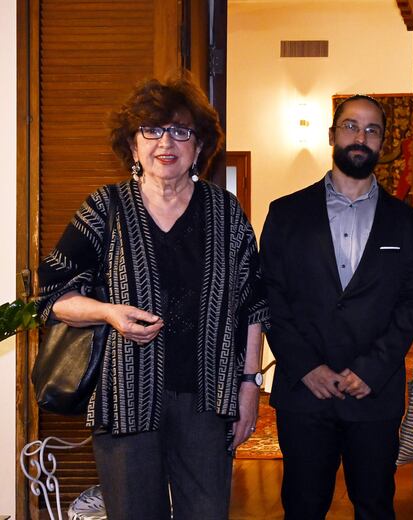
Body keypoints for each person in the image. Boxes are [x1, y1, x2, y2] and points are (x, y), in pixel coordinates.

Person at [36, 76, 269, 520]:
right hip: (125, 397)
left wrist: (249, 386)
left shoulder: (226, 212)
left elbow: (253, 305)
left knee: (206, 512)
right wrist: (108, 313)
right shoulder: (104, 208)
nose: (167, 141)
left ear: (200, 148)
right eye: (153, 130)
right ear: (133, 144)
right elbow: (53, 295)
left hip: (208, 398)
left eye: (182, 131)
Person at [259, 94, 413, 520]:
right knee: (301, 506)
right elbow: (270, 296)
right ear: (332, 134)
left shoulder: (409, 224)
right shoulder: (285, 214)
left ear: (383, 142)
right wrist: (304, 365)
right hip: (304, 392)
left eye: (372, 129)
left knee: (374, 505)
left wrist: (371, 370)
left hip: (373, 393)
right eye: (351, 126)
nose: (361, 136)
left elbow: (412, 303)